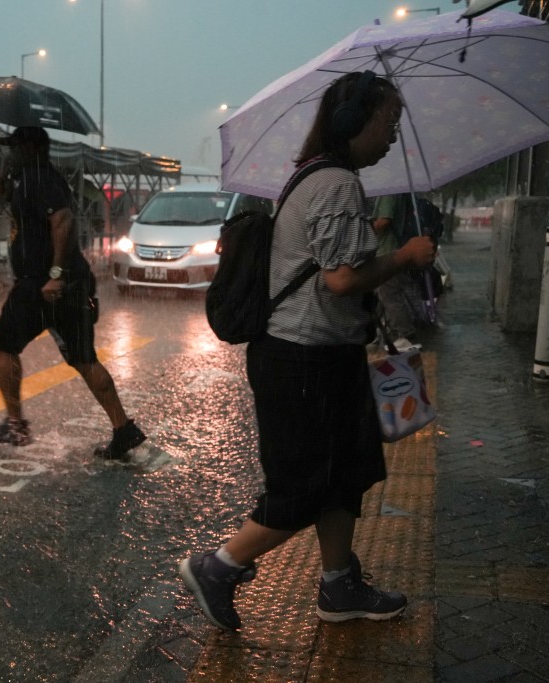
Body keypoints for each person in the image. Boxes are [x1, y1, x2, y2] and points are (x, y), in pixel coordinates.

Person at [179, 72, 436, 630]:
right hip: (301, 361)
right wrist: (406, 256)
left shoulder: (318, 177)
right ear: (355, 120)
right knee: (302, 488)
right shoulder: (336, 182)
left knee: (344, 475)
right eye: (388, 120)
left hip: (326, 354)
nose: (393, 134)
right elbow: (342, 279)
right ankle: (218, 567)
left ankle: (339, 585)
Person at [0, 126, 146, 460]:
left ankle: (15, 424)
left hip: (43, 285)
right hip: (65, 285)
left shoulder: (40, 178)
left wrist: (55, 275)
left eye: (15, 148)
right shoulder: (33, 179)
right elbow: (35, 222)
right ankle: (123, 429)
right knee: (84, 358)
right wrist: (7, 192)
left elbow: (63, 221)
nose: (9, 154)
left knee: (2, 345)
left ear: (33, 148)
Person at [372, 193, 426, 350]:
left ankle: (404, 334)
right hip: (394, 250)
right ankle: (378, 333)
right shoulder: (400, 193)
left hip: (388, 252)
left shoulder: (388, 193)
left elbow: (384, 221)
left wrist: (363, 228)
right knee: (382, 297)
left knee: (389, 295)